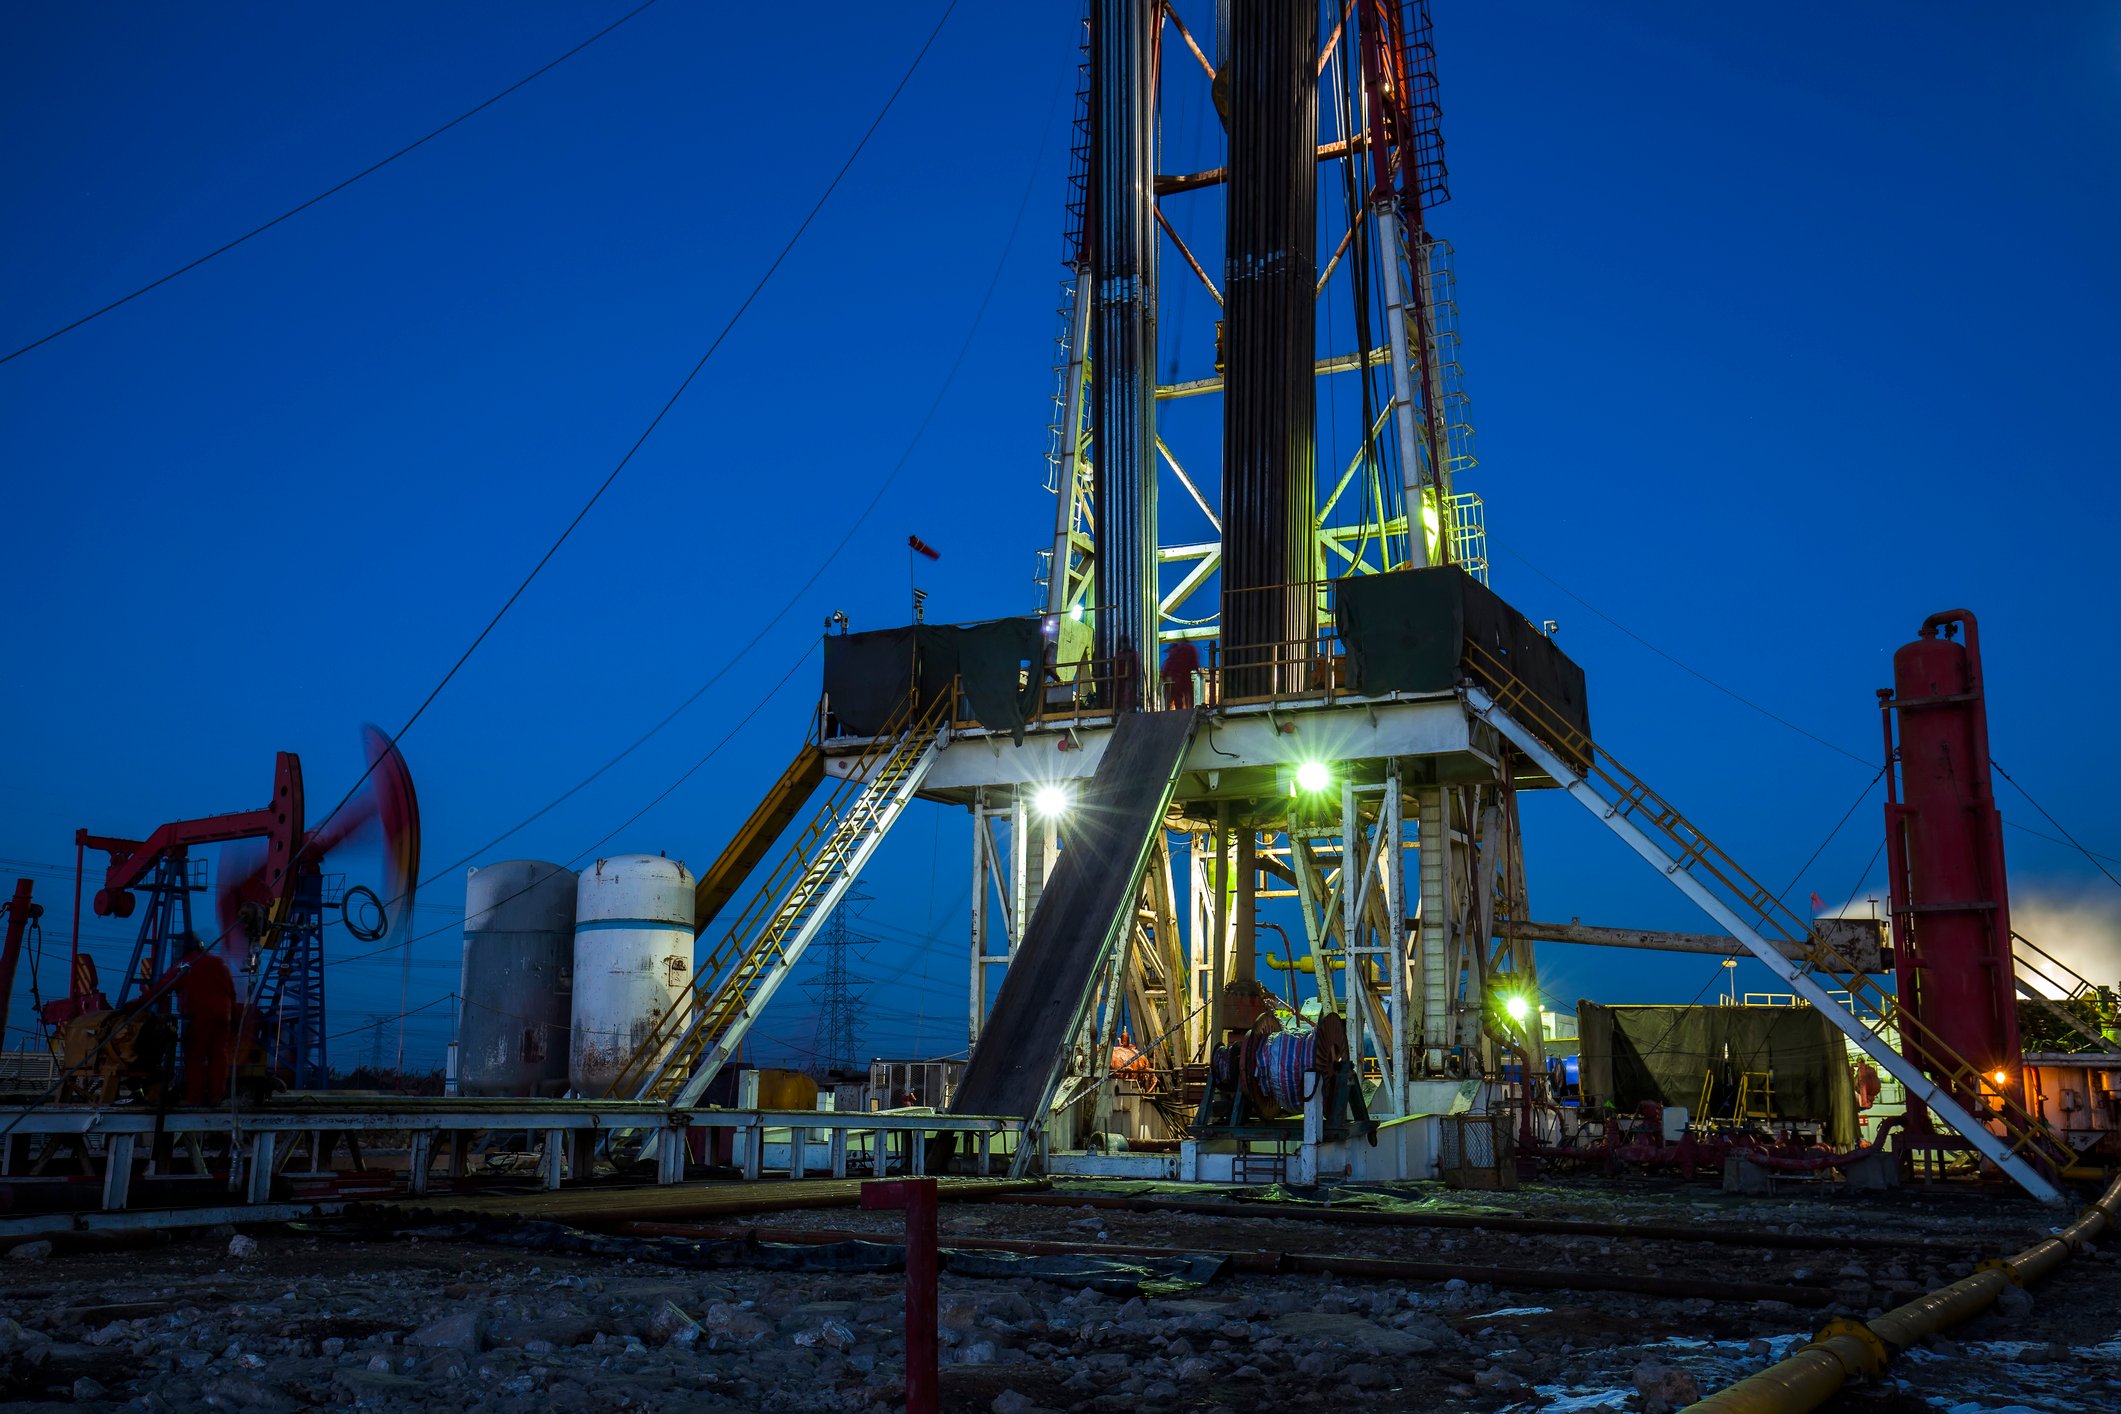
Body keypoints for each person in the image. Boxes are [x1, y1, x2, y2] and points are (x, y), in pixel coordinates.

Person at [163, 933, 236, 1106]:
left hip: (200, 1019)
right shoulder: (218, 964)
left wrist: (133, 1006)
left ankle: (194, 1098)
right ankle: (216, 1097)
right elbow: (231, 993)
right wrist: (235, 1020)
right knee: (219, 1057)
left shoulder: (184, 966)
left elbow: (160, 989)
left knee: (195, 1058)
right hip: (223, 1019)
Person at [1161, 638, 1200, 710]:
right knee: (1188, 693)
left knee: (1177, 695)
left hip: (1177, 676)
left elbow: (1168, 664)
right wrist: (1198, 671)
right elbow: (1194, 661)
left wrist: (1164, 676)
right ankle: (1190, 709)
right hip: (1187, 675)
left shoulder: (1175, 652)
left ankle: (1178, 710)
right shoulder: (1190, 649)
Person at [1112, 635, 1140, 713]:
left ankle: (1127, 710)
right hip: (1121, 682)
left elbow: (1136, 669)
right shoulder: (1130, 654)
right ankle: (1124, 709)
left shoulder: (1131, 655)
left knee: (1127, 696)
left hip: (1127, 681)